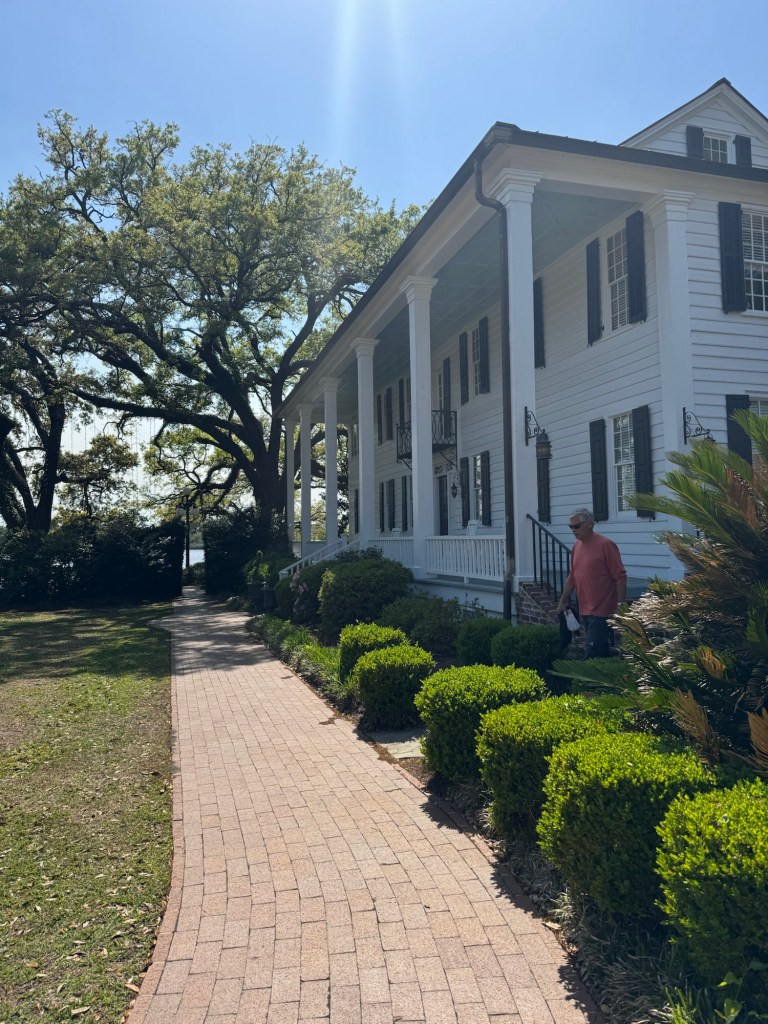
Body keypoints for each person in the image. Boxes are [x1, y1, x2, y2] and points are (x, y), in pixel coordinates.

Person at [555, 508, 627, 658]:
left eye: (576, 526)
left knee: (592, 652)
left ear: (590, 524)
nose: (573, 530)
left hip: (603, 610)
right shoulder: (576, 547)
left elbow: (620, 576)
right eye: (571, 527)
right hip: (585, 609)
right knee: (601, 650)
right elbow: (573, 577)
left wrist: (620, 605)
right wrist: (562, 600)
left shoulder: (605, 545)